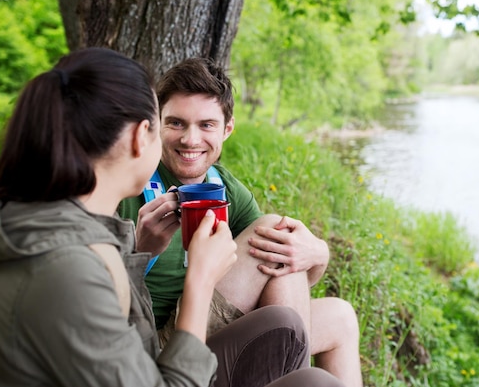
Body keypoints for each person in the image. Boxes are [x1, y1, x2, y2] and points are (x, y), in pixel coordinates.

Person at [0, 47, 344, 387]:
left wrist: (140, 251)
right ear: (138, 137)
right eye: (167, 124)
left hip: (155, 358)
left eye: (206, 124)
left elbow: (123, 326)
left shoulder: (58, 221)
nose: (188, 139)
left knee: (307, 353)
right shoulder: (65, 264)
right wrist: (201, 281)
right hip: (169, 361)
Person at [118, 57, 363, 386]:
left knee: (341, 317)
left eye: (206, 125)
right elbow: (94, 290)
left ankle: (292, 377)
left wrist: (319, 254)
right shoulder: (130, 182)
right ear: (157, 123)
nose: (190, 140)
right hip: (159, 347)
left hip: (210, 329)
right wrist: (139, 247)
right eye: (176, 123)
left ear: (227, 129)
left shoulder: (226, 188)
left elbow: (289, 277)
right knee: (273, 234)